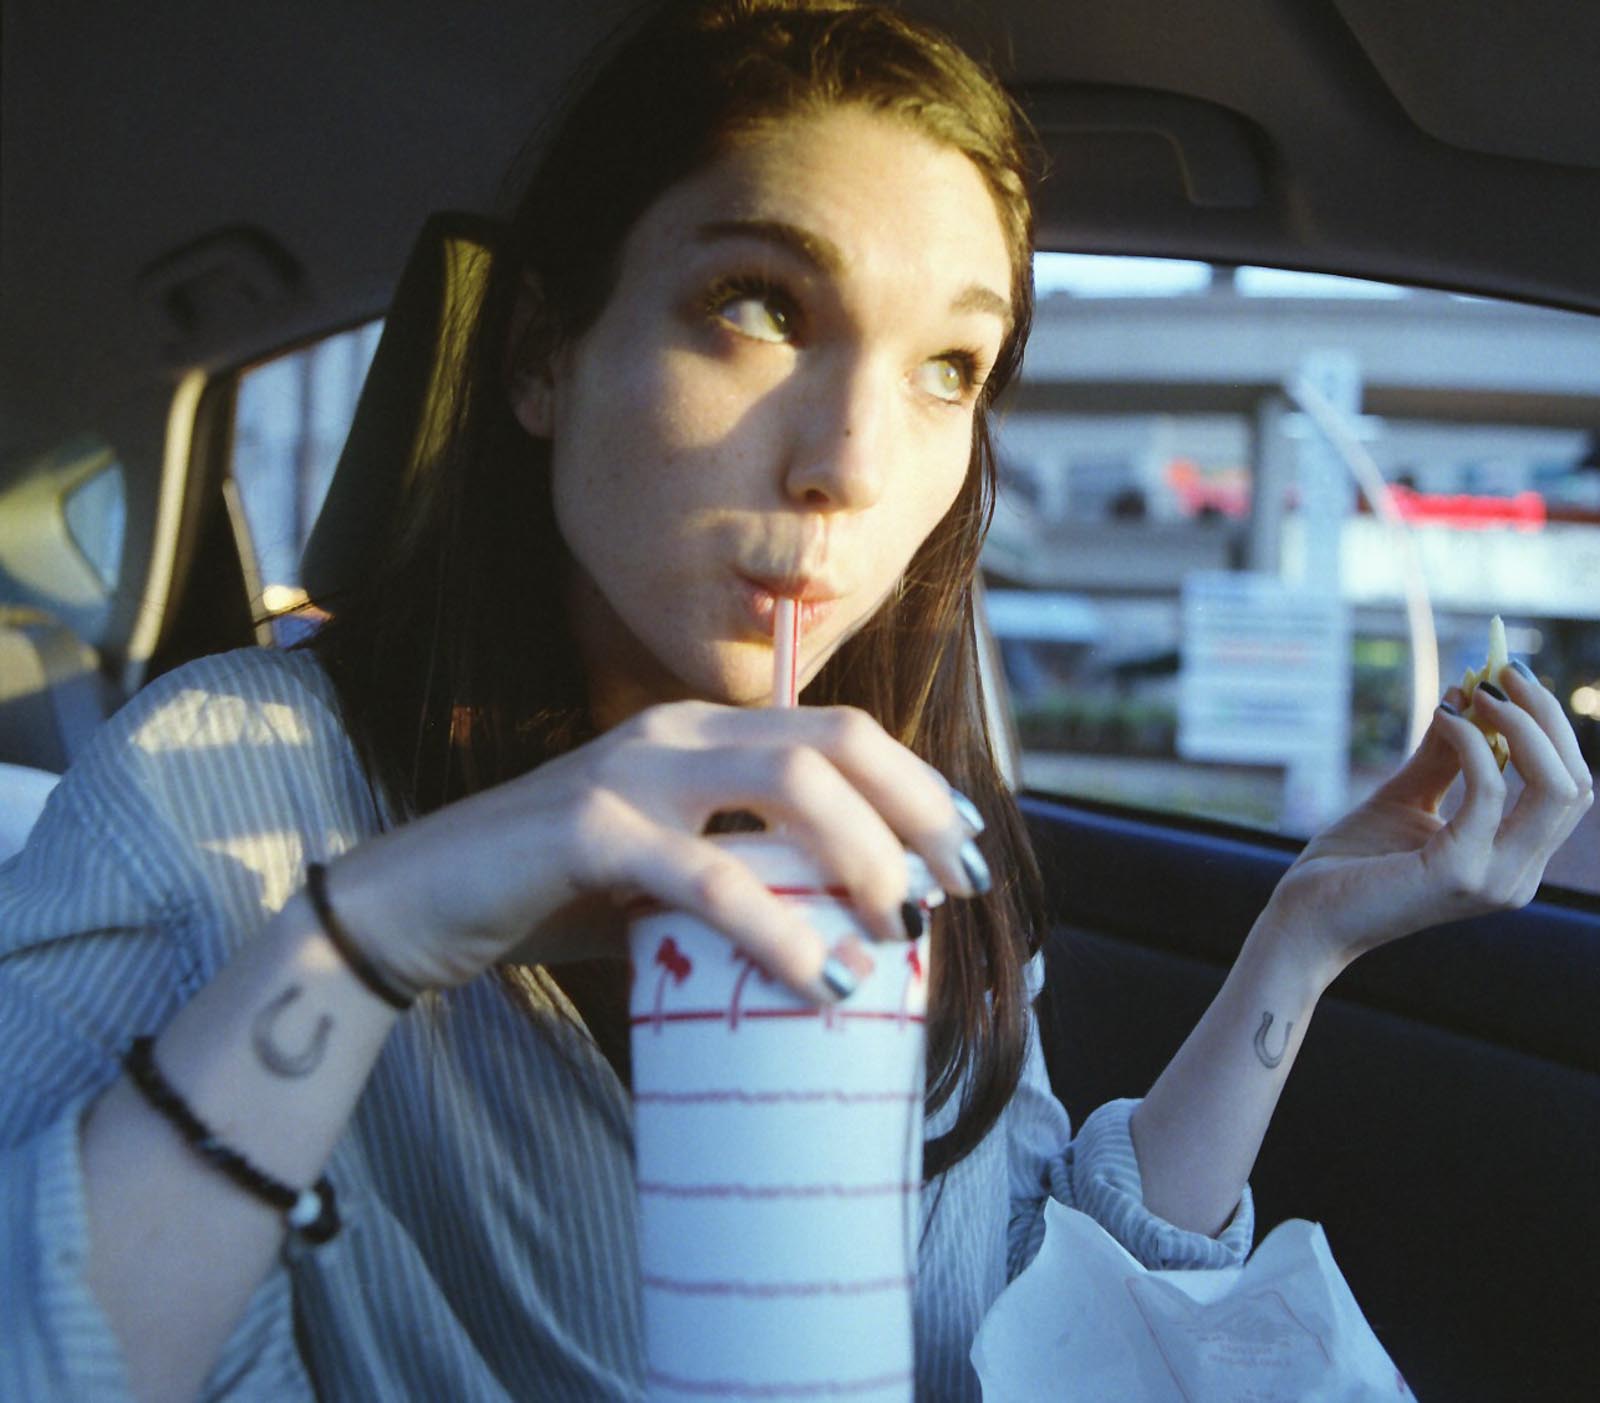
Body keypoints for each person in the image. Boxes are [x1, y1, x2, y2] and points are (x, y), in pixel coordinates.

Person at [1, 1, 1591, 1399]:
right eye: (761, 305)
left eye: (948, 368)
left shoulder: (894, 811)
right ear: (544, 358)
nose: (851, 461)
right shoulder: (227, 785)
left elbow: (1023, 1293)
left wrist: (1302, 938)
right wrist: (369, 939)